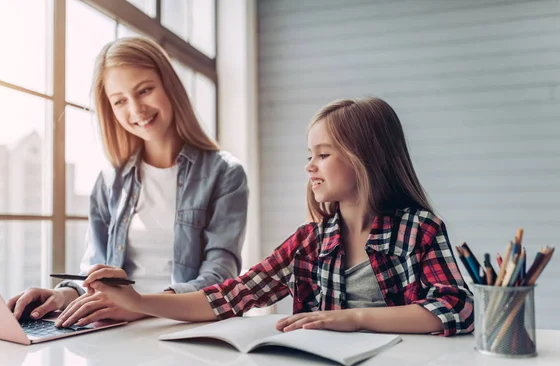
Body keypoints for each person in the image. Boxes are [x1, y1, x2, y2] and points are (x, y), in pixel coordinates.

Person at [77, 97, 474, 336]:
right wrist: (137, 300)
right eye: (309, 156)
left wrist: (354, 319)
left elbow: (457, 307)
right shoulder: (309, 242)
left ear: (365, 158)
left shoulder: (418, 230)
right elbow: (229, 297)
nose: (310, 167)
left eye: (323, 154)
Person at [7, 37, 249, 326]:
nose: (136, 109)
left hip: (185, 329)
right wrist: (63, 296)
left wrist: (141, 304)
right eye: (120, 100)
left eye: (145, 90)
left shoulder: (225, 173)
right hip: (117, 329)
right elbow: (94, 274)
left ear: (169, 85)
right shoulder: (110, 181)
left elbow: (220, 279)